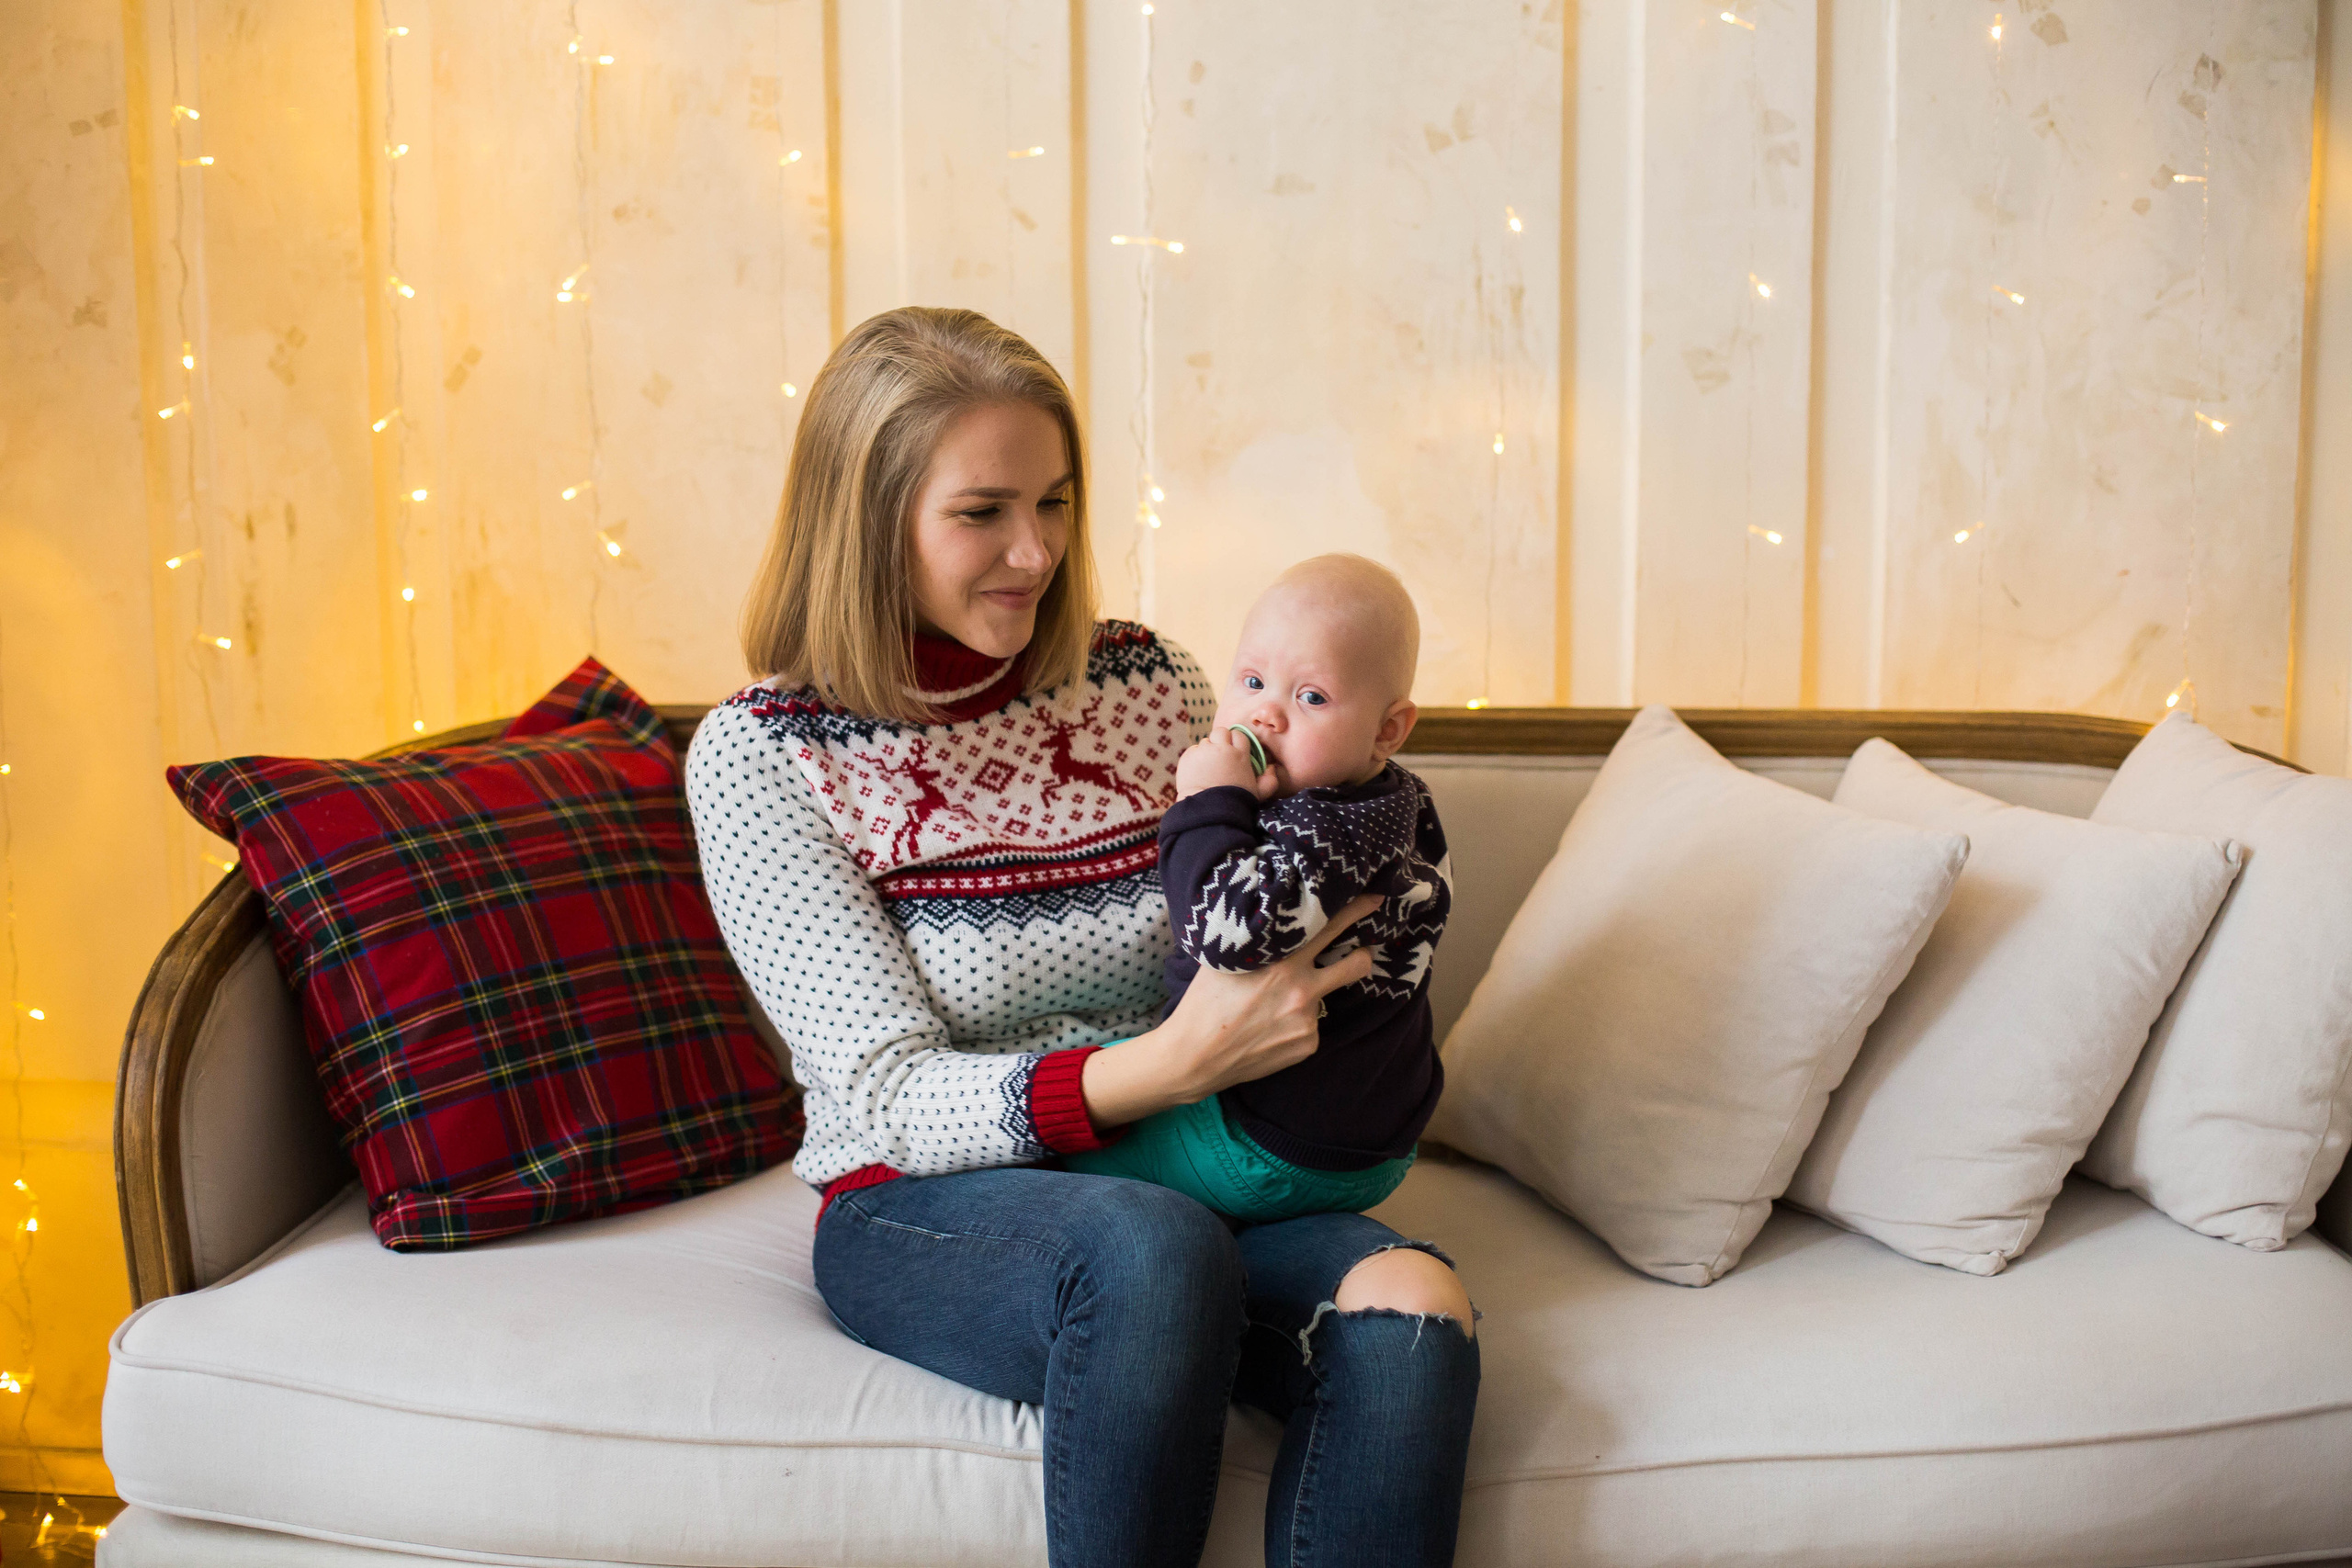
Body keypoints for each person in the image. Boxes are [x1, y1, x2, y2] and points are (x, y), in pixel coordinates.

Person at [685, 305, 1479, 1568]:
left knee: (1413, 1300)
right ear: (866, 517)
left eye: (1055, 502)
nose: (1036, 550)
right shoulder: (763, 753)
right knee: (1152, 1251)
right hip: (925, 1199)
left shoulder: (1147, 679)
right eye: (983, 511)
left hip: (1183, 1158)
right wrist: (1173, 1064)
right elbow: (884, 1094)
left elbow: (1303, 857)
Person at [1066, 555, 1452, 1224]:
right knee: (1093, 1072)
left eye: (1312, 697)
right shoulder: (1397, 806)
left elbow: (1227, 932)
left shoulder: (1327, 823)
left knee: (1063, 1151)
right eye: (1251, 680)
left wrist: (1207, 798)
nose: (1265, 715)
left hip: (1267, 1145)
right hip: (1376, 1144)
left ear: (1388, 729)